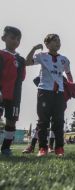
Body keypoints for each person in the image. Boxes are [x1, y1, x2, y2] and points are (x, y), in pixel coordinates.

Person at [26, 34, 74, 157]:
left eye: (59, 41)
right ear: (47, 44)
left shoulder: (64, 59)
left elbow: (68, 74)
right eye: (54, 41)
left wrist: (71, 84)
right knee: (43, 122)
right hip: (44, 92)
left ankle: (59, 149)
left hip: (59, 94)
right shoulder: (42, 56)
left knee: (59, 121)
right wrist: (34, 48)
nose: (57, 43)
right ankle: (42, 148)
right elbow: (26, 62)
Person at [0, 26, 26, 156]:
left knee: (12, 121)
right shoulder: (1, 54)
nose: (15, 41)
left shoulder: (21, 59)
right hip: (1, 92)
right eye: (12, 38)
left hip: (15, 95)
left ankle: (6, 148)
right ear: (4, 38)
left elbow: (22, 78)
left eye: (18, 39)